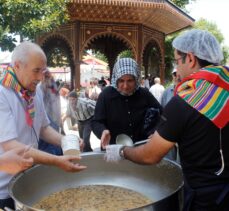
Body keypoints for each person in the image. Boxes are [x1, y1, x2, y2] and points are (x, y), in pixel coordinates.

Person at [105, 29, 229, 211]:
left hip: (206, 199)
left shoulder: (186, 101)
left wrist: (122, 151)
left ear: (191, 59)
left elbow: (150, 155)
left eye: (177, 61)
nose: (176, 68)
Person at [0, 41, 86, 209]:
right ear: (17, 66)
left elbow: (44, 128)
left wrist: (66, 141)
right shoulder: (2, 94)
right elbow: (11, 145)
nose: (41, 78)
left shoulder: (33, 92)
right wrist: (56, 160)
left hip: (26, 179)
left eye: (43, 71)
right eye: (36, 71)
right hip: (3, 189)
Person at [92, 58, 162, 149]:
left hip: (140, 149)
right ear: (116, 80)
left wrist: (157, 131)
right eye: (121, 81)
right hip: (113, 150)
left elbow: (162, 114)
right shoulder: (106, 95)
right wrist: (102, 131)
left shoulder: (144, 94)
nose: (125, 86)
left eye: (130, 81)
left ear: (136, 80)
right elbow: (96, 122)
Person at [37, 70, 63, 155]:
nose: (48, 77)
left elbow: (57, 105)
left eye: (48, 75)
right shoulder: (39, 88)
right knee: (47, 150)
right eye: (45, 76)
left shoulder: (53, 87)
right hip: (46, 122)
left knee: (55, 148)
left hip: (55, 122)